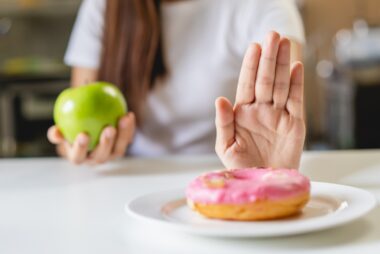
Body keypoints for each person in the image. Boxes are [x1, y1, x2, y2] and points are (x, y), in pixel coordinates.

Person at [47, 0, 305, 169]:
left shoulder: (265, 5)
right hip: (127, 181)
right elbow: (75, 125)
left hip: (228, 176)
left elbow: (283, 116)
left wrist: (268, 171)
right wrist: (82, 148)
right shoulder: (104, 6)